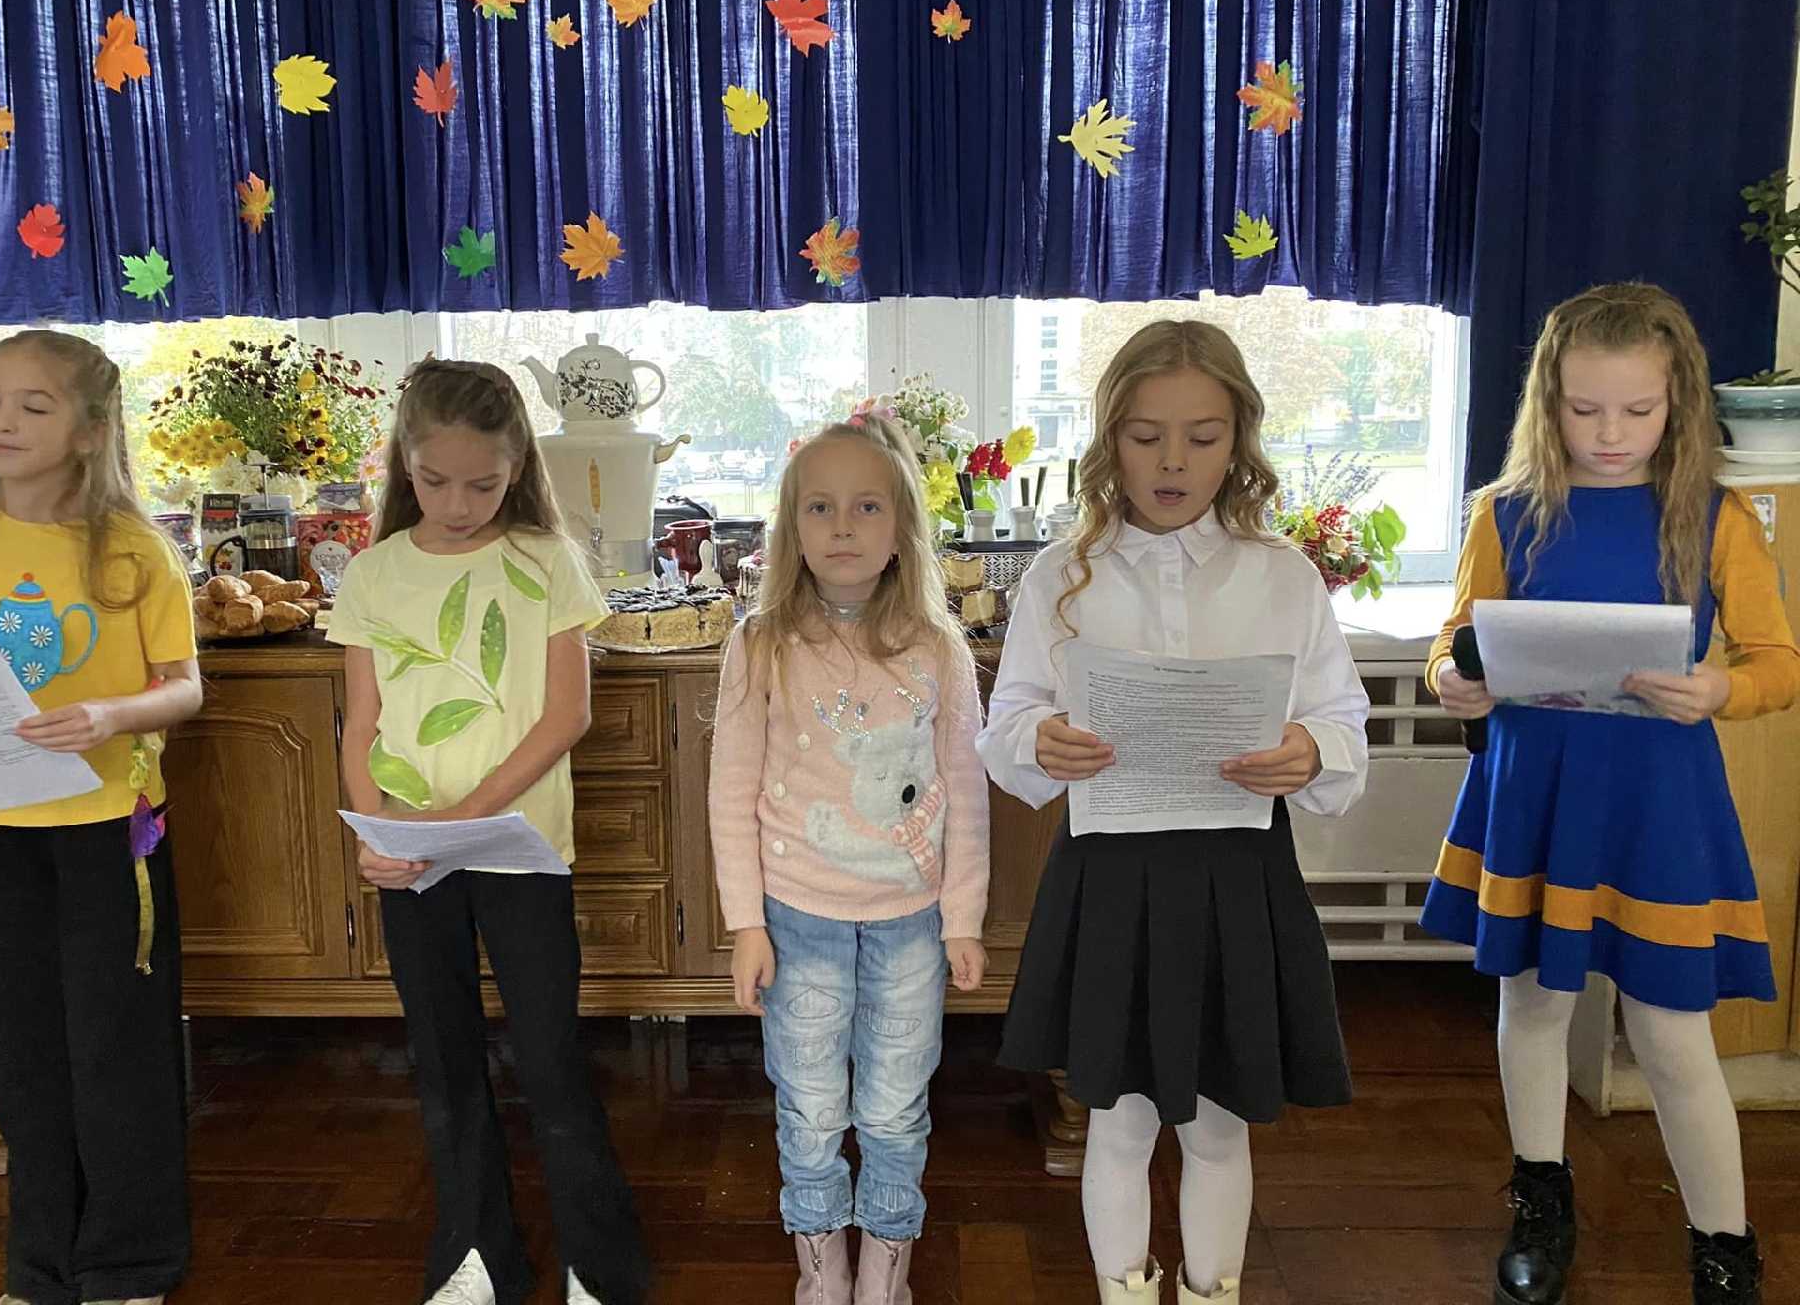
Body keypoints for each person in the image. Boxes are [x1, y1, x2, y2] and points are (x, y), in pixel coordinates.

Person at [1420, 284, 1800, 1305]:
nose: (1611, 433)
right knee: (1533, 1002)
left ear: (1680, 402)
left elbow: (1778, 664)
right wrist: (1453, 679)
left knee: (1672, 1032)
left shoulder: (1716, 518)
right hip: (1533, 789)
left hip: (1657, 804)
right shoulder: (1505, 514)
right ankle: (1541, 1200)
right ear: (1549, 402)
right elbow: (1455, 642)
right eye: (1585, 409)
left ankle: (1724, 1247)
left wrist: (1720, 689)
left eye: (1638, 410)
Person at [978, 321, 1370, 1305]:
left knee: (1220, 1123)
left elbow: (1341, 721)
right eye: (1146, 436)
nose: (1172, 461)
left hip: (1240, 878)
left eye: (1202, 437)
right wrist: (1039, 740)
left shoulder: (1281, 574)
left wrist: (1311, 749)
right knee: (1117, 1121)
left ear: (1238, 441)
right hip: (1111, 876)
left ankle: (1211, 1292)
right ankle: (1122, 1292)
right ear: (1110, 437)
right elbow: (1007, 723)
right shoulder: (1061, 573)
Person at [0, 330, 203, 1305]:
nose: (3, 420)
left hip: (114, 831)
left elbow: (184, 687)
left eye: (33, 404)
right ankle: (39, 1266)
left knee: (117, 1044)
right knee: (22, 1053)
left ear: (90, 429)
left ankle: (128, 1263)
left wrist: (112, 715)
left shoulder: (136, 552)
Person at [325, 359, 649, 1305]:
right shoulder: (373, 573)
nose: (459, 505)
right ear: (406, 465)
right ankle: (474, 1254)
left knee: (550, 1057)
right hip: (409, 859)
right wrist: (376, 833)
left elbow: (566, 715)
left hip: (521, 851)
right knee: (442, 1057)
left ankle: (599, 1264)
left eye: (483, 484)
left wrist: (465, 819)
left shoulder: (547, 561)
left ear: (517, 469)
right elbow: (361, 722)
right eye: (436, 483)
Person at [709, 409, 991, 1305]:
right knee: (811, 1109)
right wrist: (746, 925)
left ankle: (884, 1273)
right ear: (791, 528)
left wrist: (962, 919)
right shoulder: (759, 643)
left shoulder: (939, 648)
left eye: (867, 506)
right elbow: (731, 792)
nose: (842, 526)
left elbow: (965, 791)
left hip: (911, 926)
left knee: (895, 1110)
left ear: (902, 526)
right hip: (799, 923)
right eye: (820, 507)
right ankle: (823, 1273)